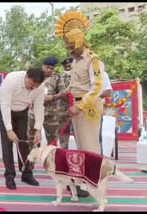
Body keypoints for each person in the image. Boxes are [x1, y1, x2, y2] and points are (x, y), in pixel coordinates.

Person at [55, 11, 106, 197]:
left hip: (88, 108)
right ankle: (85, 181)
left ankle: (93, 184)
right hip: (76, 107)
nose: (69, 50)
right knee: (81, 146)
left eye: (71, 46)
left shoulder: (93, 59)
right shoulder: (76, 61)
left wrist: (79, 106)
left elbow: (97, 87)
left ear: (79, 41)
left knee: (91, 146)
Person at [0, 66, 45, 190]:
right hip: (4, 108)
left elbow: (39, 107)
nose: (33, 88)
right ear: (26, 76)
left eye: (36, 86)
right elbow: (5, 105)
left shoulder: (39, 87)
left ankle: (26, 173)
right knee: (7, 142)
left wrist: (38, 129)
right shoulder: (12, 79)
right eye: (31, 84)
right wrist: (9, 129)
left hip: (22, 110)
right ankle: (9, 176)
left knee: (23, 141)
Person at [28, 57, 65, 147]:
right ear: (43, 66)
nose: (49, 70)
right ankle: (31, 159)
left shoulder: (57, 78)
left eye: (51, 68)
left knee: (52, 140)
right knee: (32, 139)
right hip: (34, 113)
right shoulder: (35, 75)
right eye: (47, 67)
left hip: (50, 114)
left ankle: (50, 160)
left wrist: (53, 97)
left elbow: (63, 92)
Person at [57, 57, 73, 149]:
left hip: (79, 107)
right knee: (63, 131)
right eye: (65, 66)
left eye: (69, 66)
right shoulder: (59, 78)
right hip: (63, 108)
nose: (67, 68)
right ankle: (64, 150)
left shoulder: (81, 76)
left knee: (79, 132)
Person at [99, 71, 113, 155]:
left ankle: (98, 163)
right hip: (80, 110)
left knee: (96, 138)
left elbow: (108, 92)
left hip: (95, 109)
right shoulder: (80, 73)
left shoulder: (101, 74)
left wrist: (92, 95)